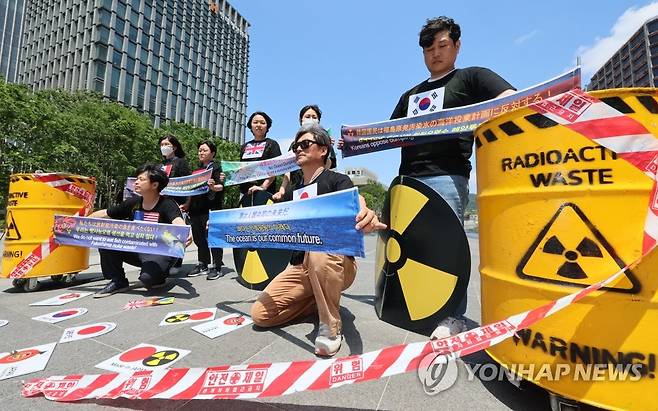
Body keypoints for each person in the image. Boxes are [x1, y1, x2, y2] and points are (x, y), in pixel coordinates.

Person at [392, 16, 515, 339]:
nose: (435, 53)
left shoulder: (471, 78)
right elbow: (386, 133)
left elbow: (509, 98)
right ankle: (419, 307)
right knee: (412, 248)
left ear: (457, 46)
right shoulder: (411, 95)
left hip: (448, 175)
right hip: (408, 179)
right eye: (429, 48)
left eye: (442, 45)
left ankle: (453, 316)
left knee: (449, 247)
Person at [250, 124, 386, 357]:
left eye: (305, 144)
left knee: (319, 249)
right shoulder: (294, 191)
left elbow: (357, 201)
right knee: (261, 315)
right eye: (295, 146)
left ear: (323, 150)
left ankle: (331, 326)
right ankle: (317, 300)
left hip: (335, 261)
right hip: (300, 266)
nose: (298, 150)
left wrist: (365, 213)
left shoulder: (337, 180)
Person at [90, 164, 191, 298]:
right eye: (137, 178)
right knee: (106, 240)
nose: (136, 182)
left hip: (160, 252)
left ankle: (159, 275)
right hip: (136, 249)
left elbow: (177, 221)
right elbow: (106, 213)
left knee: (149, 280)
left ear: (154, 185)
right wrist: (79, 220)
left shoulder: (167, 204)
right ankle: (118, 280)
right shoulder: (134, 202)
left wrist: (186, 232)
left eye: (141, 179)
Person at [273, 104, 337, 201]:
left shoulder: (325, 142)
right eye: (307, 117)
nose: (311, 119)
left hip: (318, 190)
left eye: (314, 117)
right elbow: (288, 170)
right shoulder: (294, 145)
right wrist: (282, 190)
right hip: (296, 190)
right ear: (301, 120)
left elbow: (329, 164)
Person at [183, 141, 225, 280]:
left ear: (212, 153)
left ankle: (217, 266)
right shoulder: (196, 170)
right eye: (200, 150)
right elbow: (191, 190)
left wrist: (213, 187)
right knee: (199, 238)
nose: (201, 153)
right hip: (196, 209)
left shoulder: (217, 168)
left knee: (212, 238)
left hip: (210, 209)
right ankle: (203, 264)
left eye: (204, 150)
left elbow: (221, 186)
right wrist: (188, 204)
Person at [239, 111, 282, 197]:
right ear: (250, 126)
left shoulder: (272, 144)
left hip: (265, 192)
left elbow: (275, 168)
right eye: (255, 122)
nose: (258, 125)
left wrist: (263, 187)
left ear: (267, 127)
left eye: (262, 123)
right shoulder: (244, 146)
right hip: (245, 193)